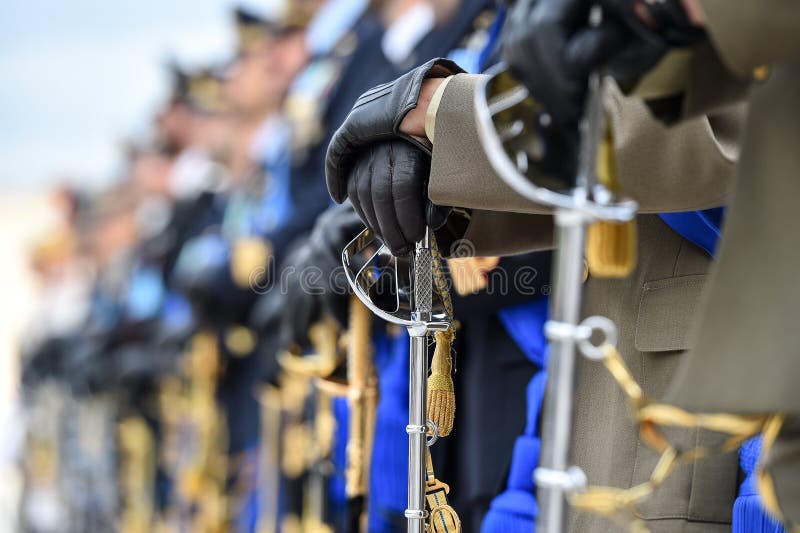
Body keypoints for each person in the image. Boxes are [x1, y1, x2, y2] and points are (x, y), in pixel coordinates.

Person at [324, 39, 745, 533]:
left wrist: (441, 114)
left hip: (696, 410)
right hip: (594, 397)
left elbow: (721, 130)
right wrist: (437, 186)